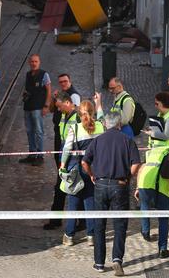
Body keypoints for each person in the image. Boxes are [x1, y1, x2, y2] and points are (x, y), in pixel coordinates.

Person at [81, 111, 141, 276]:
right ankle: (117, 259)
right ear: (119, 124)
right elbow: (136, 164)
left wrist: (92, 175)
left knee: (99, 224)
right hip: (119, 185)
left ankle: (99, 263)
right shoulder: (127, 141)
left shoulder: (97, 140)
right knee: (120, 224)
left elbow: (84, 162)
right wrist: (128, 176)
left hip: (100, 185)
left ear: (105, 124)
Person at [135, 116, 169, 258]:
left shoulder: (150, 151)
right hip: (163, 187)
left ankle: (145, 232)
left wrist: (138, 187)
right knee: (163, 218)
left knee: (145, 206)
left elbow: (142, 168)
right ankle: (162, 248)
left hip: (145, 183)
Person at [60, 100, 104, 246]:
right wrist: (99, 104)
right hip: (94, 169)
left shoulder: (75, 128)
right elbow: (103, 119)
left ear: (79, 114)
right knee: (90, 201)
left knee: (73, 201)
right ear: (93, 113)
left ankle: (69, 235)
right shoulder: (99, 126)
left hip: (78, 169)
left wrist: (62, 165)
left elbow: (67, 149)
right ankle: (91, 235)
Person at [43, 74, 81, 230]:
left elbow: (71, 141)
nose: (63, 84)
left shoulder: (74, 99)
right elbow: (52, 110)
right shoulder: (63, 113)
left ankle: (60, 220)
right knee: (67, 186)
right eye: (60, 82)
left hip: (71, 155)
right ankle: (78, 221)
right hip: (63, 150)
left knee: (66, 186)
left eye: (65, 81)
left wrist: (63, 162)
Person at [20, 54, 51, 166]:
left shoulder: (44, 74)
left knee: (39, 131)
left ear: (39, 62)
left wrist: (46, 106)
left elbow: (48, 90)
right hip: (27, 107)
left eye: (36, 61)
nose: (34, 63)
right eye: (32, 61)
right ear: (29, 63)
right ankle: (32, 154)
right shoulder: (28, 74)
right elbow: (28, 89)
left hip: (38, 107)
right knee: (29, 131)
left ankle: (40, 155)